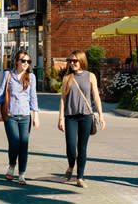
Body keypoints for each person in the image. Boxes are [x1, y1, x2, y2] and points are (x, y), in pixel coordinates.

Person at [57, 50, 105, 189]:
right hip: (70, 116)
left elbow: (96, 97)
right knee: (71, 147)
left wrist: (101, 115)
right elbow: (62, 99)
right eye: (70, 61)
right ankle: (71, 165)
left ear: (82, 61)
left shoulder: (90, 76)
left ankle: (80, 177)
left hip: (85, 116)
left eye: (75, 61)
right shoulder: (67, 78)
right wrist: (60, 118)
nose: (72, 63)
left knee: (82, 148)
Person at [0, 49, 40, 185]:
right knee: (14, 142)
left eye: (28, 61)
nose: (26, 63)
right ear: (17, 61)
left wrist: (36, 116)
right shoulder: (8, 74)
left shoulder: (31, 77)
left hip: (25, 116)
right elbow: (1, 93)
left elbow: (33, 97)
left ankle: (21, 174)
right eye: (23, 60)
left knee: (24, 145)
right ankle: (11, 165)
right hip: (10, 116)